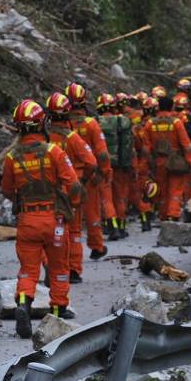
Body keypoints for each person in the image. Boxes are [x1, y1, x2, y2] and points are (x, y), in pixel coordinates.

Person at [1, 100, 83, 338]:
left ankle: (24, 304)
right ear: (41, 124)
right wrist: (71, 205)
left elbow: (7, 189)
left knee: (28, 269)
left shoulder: (12, 157)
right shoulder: (54, 152)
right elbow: (74, 184)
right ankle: (57, 311)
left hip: (27, 220)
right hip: (53, 219)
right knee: (58, 267)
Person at [44, 93, 99, 285]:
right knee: (73, 231)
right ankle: (73, 271)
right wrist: (84, 178)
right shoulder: (72, 138)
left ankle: (50, 266)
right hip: (70, 189)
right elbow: (92, 161)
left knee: (49, 232)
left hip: (47, 192)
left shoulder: (43, 137)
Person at [61, 83, 112, 260]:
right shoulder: (91, 124)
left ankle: (65, 250)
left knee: (71, 217)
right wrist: (105, 172)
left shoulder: (62, 126)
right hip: (89, 175)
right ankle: (96, 246)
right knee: (92, 212)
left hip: (67, 177)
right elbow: (102, 152)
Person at [144, 96, 191, 220]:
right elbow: (187, 146)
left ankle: (163, 216)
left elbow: (146, 148)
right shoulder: (176, 122)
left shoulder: (150, 123)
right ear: (172, 107)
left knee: (162, 190)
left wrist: (149, 164)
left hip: (158, 161)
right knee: (176, 190)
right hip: (175, 161)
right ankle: (173, 215)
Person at [96, 93, 134, 241]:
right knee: (120, 196)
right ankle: (121, 226)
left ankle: (111, 226)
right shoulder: (123, 121)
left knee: (106, 197)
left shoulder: (95, 122)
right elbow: (130, 144)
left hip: (103, 165)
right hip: (120, 165)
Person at [134, 96, 158, 230]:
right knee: (156, 188)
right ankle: (152, 212)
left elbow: (135, 146)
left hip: (141, 161)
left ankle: (145, 218)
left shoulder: (137, 128)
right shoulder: (156, 124)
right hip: (155, 161)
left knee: (143, 191)